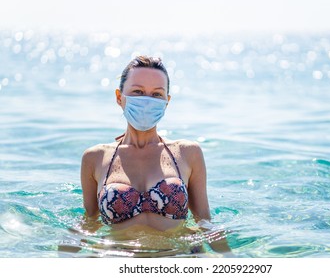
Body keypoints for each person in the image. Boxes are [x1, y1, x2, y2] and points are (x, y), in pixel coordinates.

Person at [80, 55, 230, 255]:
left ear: (167, 102)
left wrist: (231, 260)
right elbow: (90, 222)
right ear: (119, 97)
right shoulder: (95, 158)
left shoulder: (187, 153)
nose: (147, 101)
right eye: (138, 91)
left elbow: (204, 222)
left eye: (156, 94)